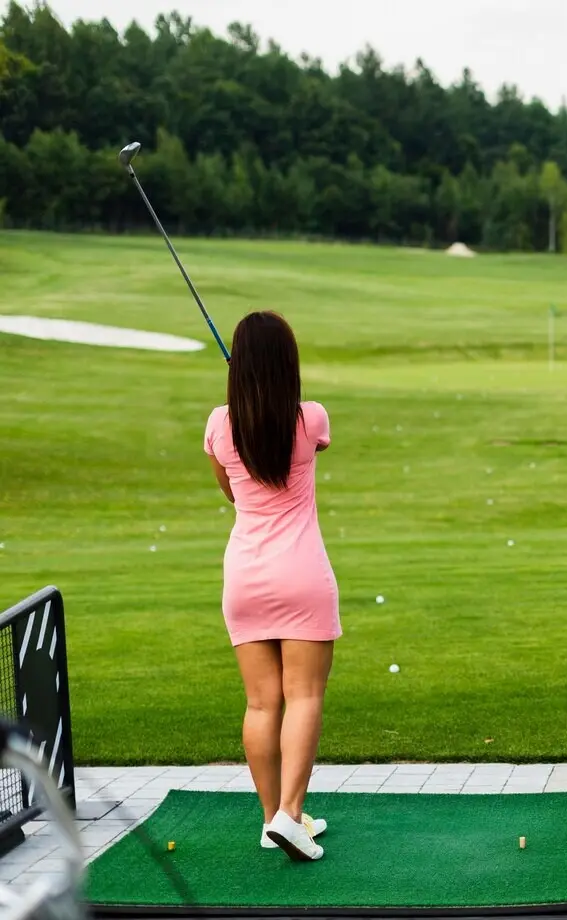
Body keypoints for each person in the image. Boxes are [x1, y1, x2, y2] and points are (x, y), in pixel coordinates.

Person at [204, 311, 339, 862]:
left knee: (261, 705)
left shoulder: (219, 424)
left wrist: (248, 405)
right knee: (303, 696)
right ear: (288, 363)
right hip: (302, 573)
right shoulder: (310, 419)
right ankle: (290, 814)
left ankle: (272, 821)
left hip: (245, 577)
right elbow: (309, 448)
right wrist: (266, 399)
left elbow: (232, 493)